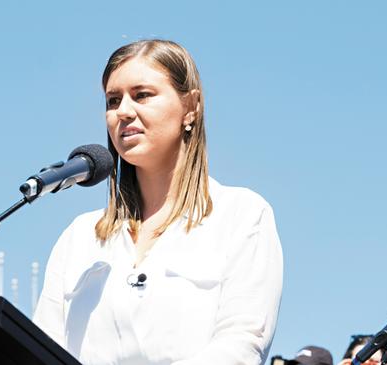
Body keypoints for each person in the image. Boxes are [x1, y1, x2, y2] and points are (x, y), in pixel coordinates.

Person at [33, 39, 284, 365]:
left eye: (142, 95)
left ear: (191, 106)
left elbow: (241, 344)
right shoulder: (79, 237)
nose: (123, 112)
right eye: (112, 100)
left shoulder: (242, 215)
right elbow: (41, 351)